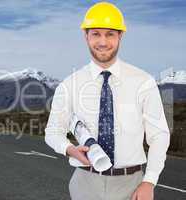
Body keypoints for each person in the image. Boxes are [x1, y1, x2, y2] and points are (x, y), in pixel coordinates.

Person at [44, 2, 170, 200]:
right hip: (85, 183)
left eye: (110, 34)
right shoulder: (69, 85)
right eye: (96, 34)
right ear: (86, 36)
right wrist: (69, 149)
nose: (103, 42)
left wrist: (149, 181)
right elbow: (53, 131)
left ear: (120, 36)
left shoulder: (143, 82)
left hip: (132, 185)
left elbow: (159, 135)